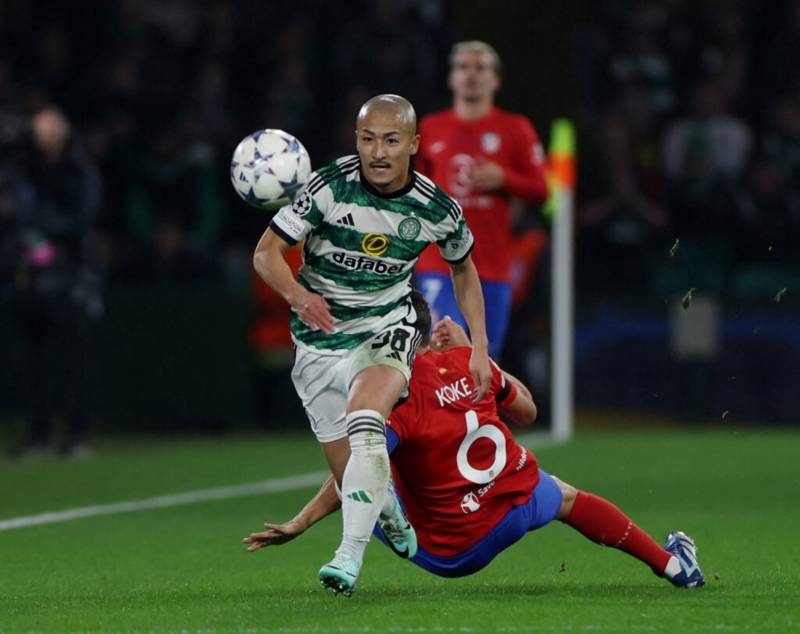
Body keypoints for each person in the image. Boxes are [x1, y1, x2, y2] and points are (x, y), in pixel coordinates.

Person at [244, 292, 705, 590]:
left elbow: (355, 471)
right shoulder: (468, 359)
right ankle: (673, 566)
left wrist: (302, 521)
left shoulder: (396, 396)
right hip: (514, 504)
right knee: (567, 498)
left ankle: (374, 529)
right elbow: (527, 411)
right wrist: (475, 352)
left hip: (448, 549)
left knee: (371, 466)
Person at [252, 94, 492, 595]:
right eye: (367, 139)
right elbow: (266, 254)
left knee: (366, 420)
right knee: (351, 479)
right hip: (318, 342)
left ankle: (348, 557)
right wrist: (299, 296)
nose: (378, 152)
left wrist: (479, 346)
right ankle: (389, 510)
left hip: (388, 327)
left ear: (414, 144)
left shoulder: (436, 208)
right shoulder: (327, 186)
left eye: (390, 140)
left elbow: (464, 269)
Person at [414, 41, 549, 358]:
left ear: (496, 80)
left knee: (485, 360)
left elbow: (542, 189)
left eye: (480, 67)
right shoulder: (431, 128)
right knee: (445, 352)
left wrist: (505, 178)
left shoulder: (515, 128)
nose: (471, 75)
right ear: (451, 77)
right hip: (439, 263)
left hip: (492, 264)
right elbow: (413, 189)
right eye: (463, 67)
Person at [3, 106, 103, 458]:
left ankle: (76, 435)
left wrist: (43, 232)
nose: (44, 137)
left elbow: (82, 218)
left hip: (70, 278)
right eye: (39, 131)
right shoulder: (23, 170)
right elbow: (13, 215)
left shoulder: (80, 171)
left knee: (73, 359)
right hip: (29, 279)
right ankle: (38, 435)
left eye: (50, 130)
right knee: (32, 361)